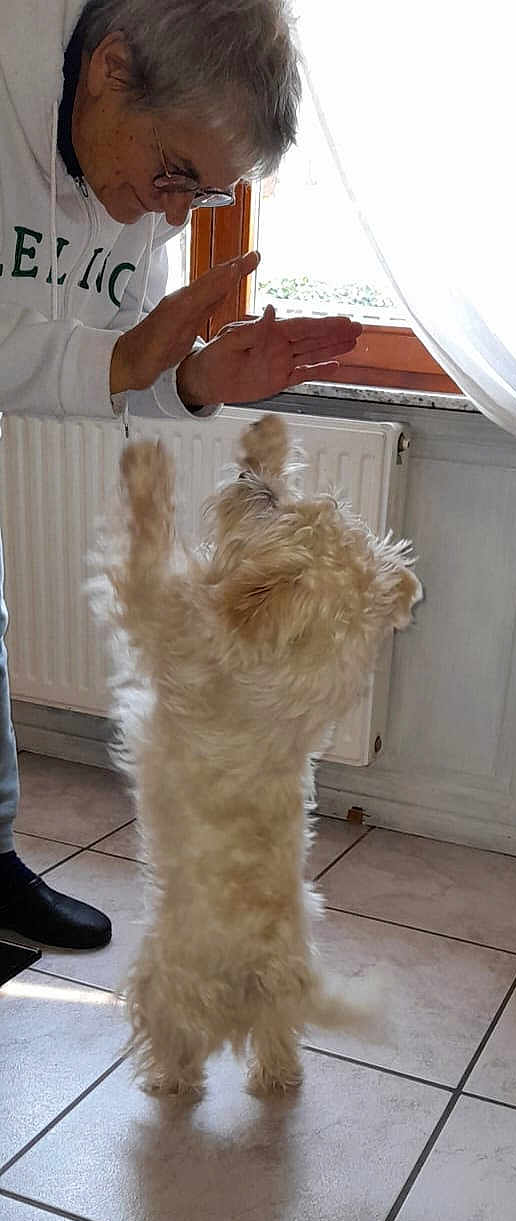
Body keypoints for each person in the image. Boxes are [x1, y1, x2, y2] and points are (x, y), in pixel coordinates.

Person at [0, 0, 362, 952]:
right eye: (176, 175)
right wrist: (123, 362)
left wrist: (196, 376)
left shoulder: (137, 174)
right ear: (109, 70)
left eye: (198, 197)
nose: (170, 215)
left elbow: (116, 365)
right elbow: (103, 361)